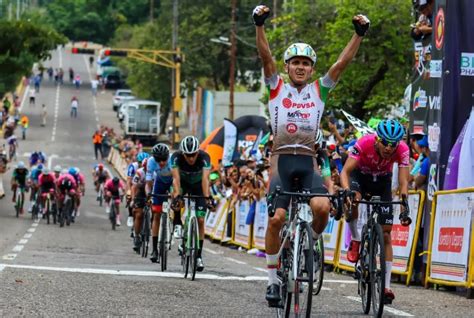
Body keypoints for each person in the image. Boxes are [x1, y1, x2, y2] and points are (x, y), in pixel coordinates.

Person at [252, 4, 370, 305]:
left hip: (308, 161)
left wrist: (358, 34)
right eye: (295, 63)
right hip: (281, 160)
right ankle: (272, 281)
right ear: (287, 67)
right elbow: (265, 56)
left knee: (320, 208)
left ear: (312, 69)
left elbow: (341, 64)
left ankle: (309, 245)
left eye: (306, 63)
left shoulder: (319, 90)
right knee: (277, 218)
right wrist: (259, 25)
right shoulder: (276, 86)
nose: (301, 67)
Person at [339, 119, 412, 303]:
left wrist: (404, 207)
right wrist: (347, 190)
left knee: (386, 235)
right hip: (360, 176)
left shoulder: (402, 150)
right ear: (377, 139)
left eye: (393, 144)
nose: (389, 148)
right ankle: (356, 240)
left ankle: (386, 286)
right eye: (385, 143)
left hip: (382, 181)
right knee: (354, 199)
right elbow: (345, 172)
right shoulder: (364, 143)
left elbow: (403, 183)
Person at [170, 136, 214, 272]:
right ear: (183, 153)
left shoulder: (205, 157)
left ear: (198, 152)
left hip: (198, 185)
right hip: (183, 183)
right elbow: (176, 179)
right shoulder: (176, 157)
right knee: (176, 199)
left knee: (200, 220)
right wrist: (177, 195)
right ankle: (177, 221)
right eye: (188, 155)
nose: (190, 158)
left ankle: (199, 256)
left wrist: (207, 197)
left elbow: (206, 179)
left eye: (193, 155)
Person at [145, 143, 173, 263]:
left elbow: (178, 179)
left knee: (177, 204)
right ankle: (155, 249)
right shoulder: (151, 162)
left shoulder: (173, 160)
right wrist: (149, 194)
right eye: (158, 160)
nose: (161, 163)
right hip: (159, 184)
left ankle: (177, 222)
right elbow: (148, 182)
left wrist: (176, 193)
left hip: (173, 182)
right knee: (156, 214)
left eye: (164, 160)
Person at [131, 157, 149, 252]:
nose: (147, 170)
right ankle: (137, 235)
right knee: (139, 214)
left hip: (151, 190)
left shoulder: (155, 172)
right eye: (145, 168)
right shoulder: (139, 172)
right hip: (140, 191)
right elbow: (134, 187)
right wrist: (133, 199)